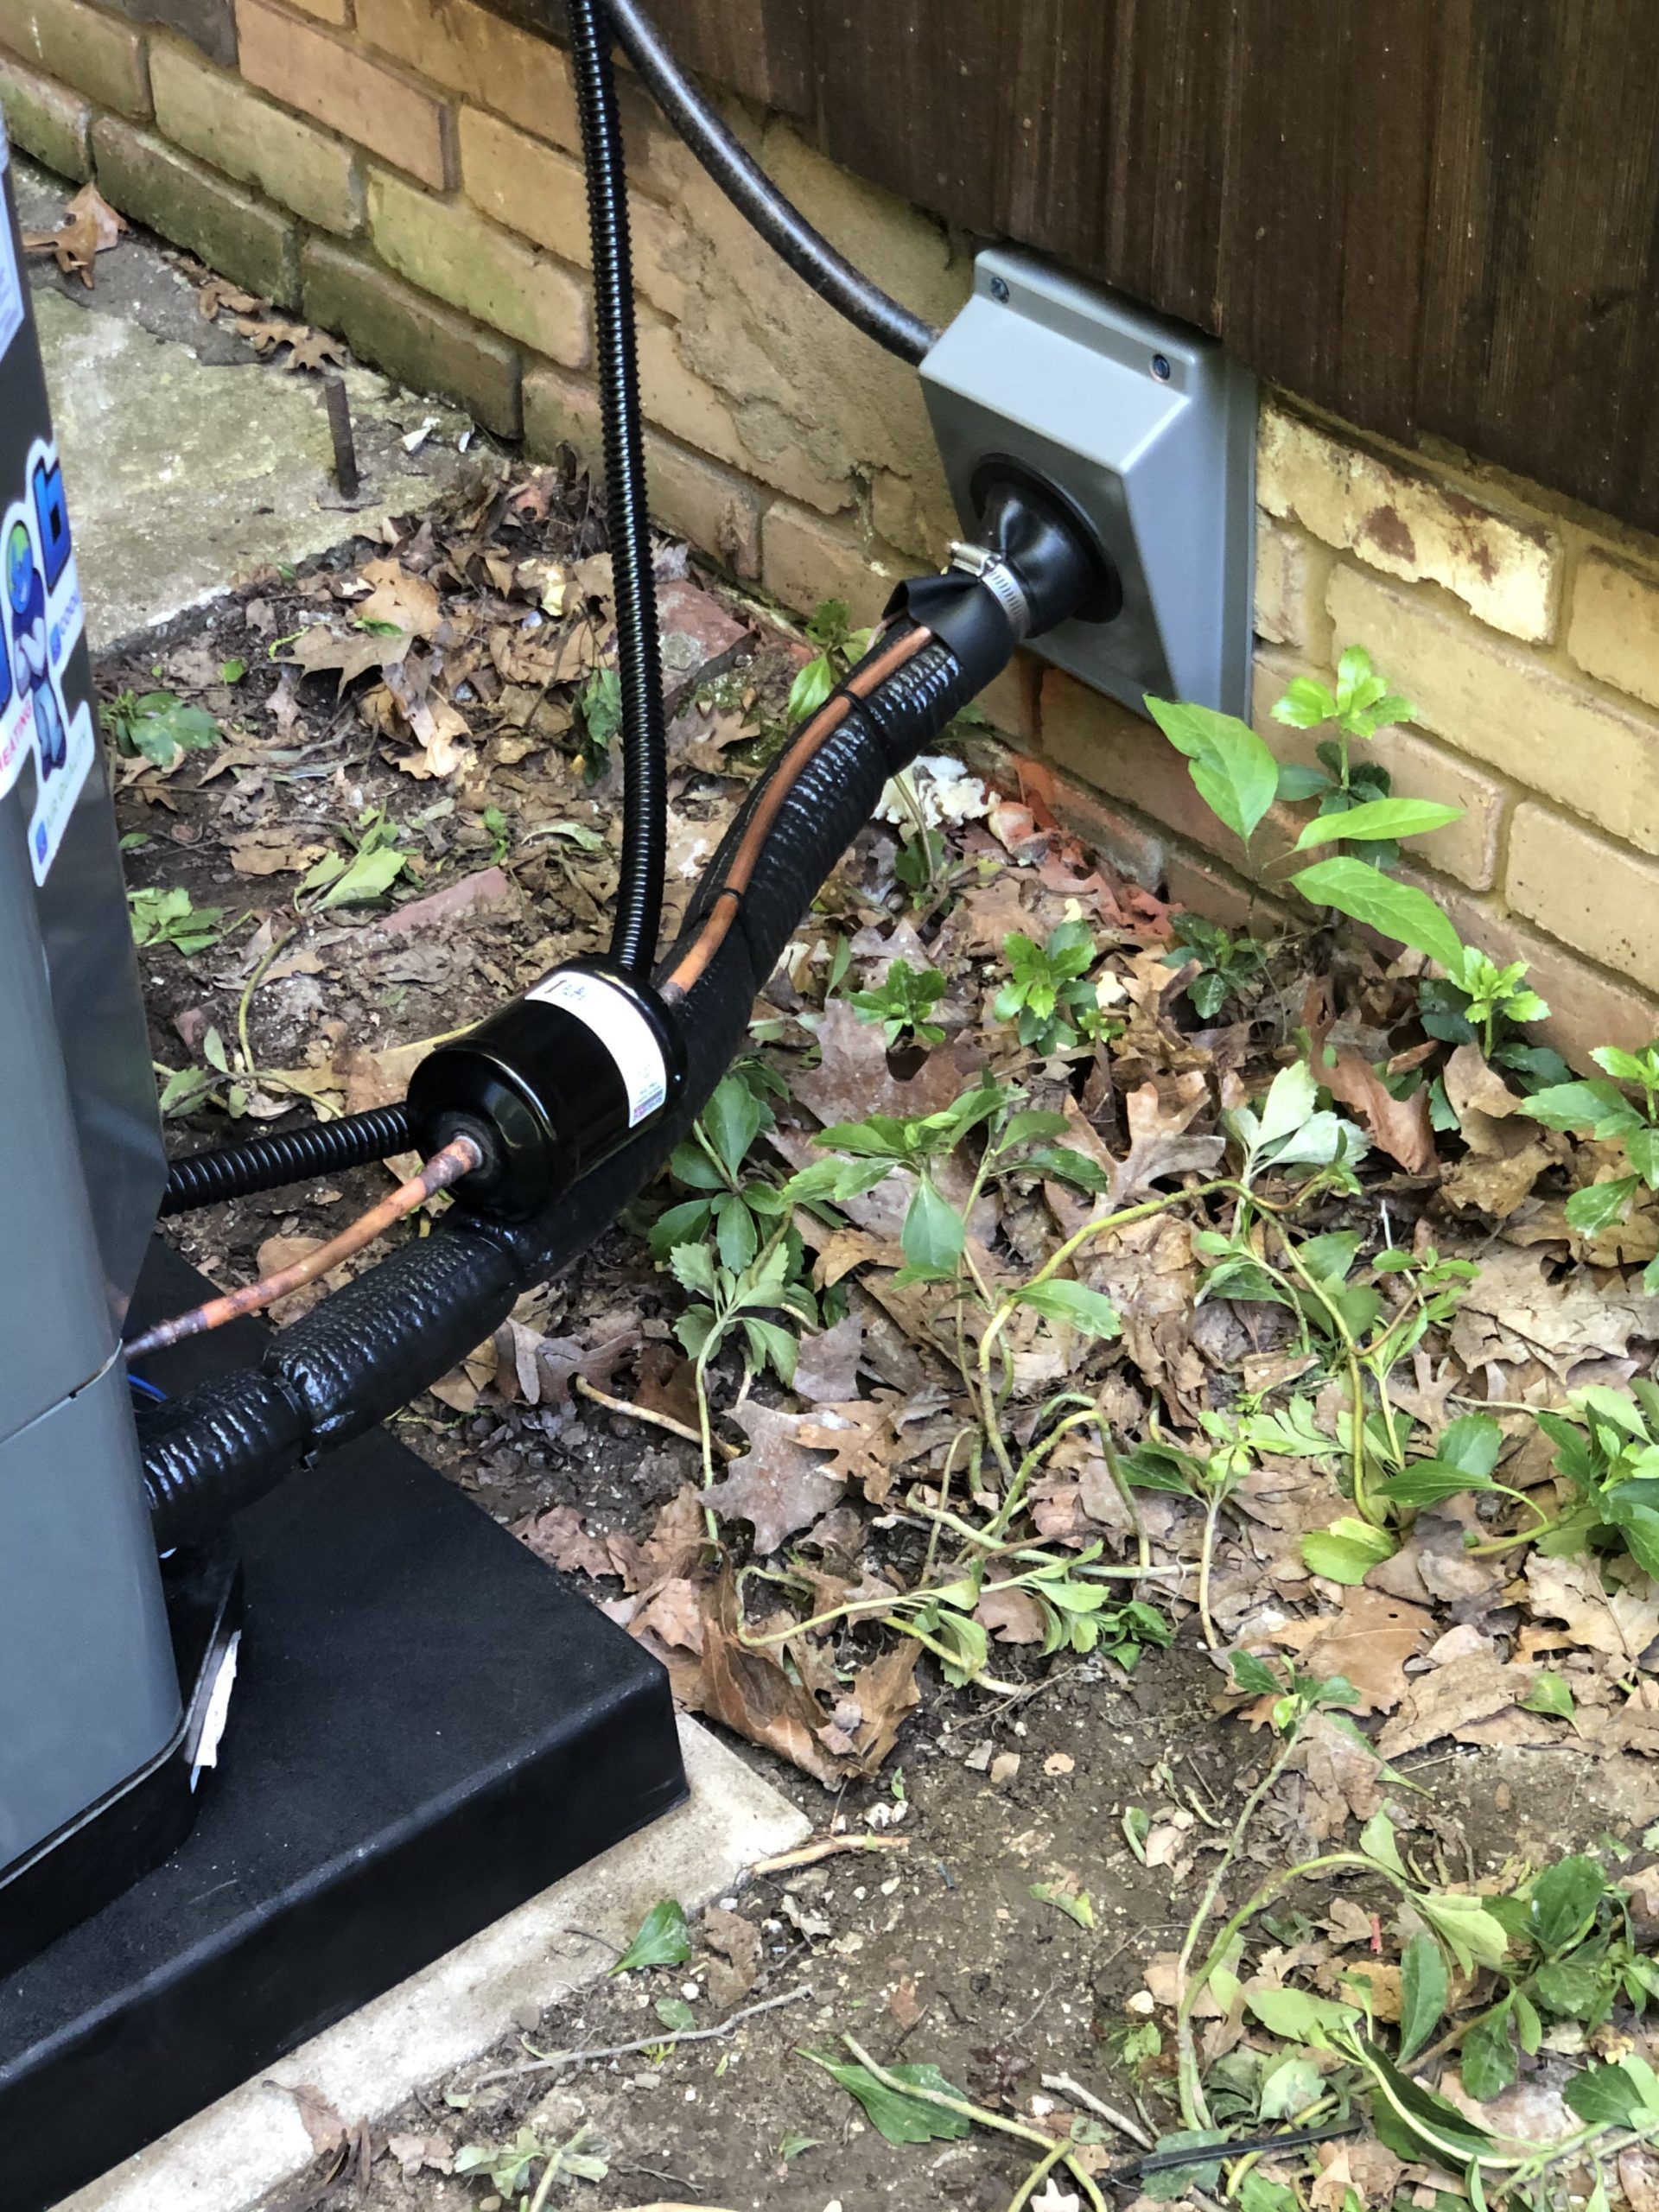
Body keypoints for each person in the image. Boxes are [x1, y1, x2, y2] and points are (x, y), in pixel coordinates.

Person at [9, 517, 66, 779]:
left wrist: (22, 646)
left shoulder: (34, 593)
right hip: (34, 687)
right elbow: (21, 680)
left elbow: (38, 662)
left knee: (50, 723)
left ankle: (57, 755)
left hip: (42, 685)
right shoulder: (14, 614)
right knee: (43, 730)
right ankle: (49, 759)